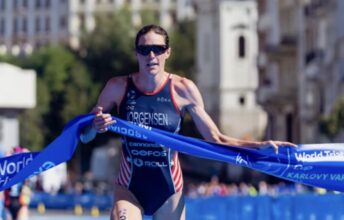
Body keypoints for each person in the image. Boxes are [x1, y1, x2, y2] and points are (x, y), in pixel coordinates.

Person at [80, 24, 296, 220]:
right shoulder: (118, 87)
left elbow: (216, 138)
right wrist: (95, 126)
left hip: (169, 191)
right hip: (129, 187)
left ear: (168, 52)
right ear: (137, 53)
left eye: (158, 49)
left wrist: (259, 146)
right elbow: (85, 134)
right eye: (145, 50)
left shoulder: (183, 89)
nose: (152, 55)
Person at [4, 147, 32, 220]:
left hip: (21, 201)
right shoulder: (7, 169)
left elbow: (28, 154)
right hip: (8, 202)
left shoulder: (24, 169)